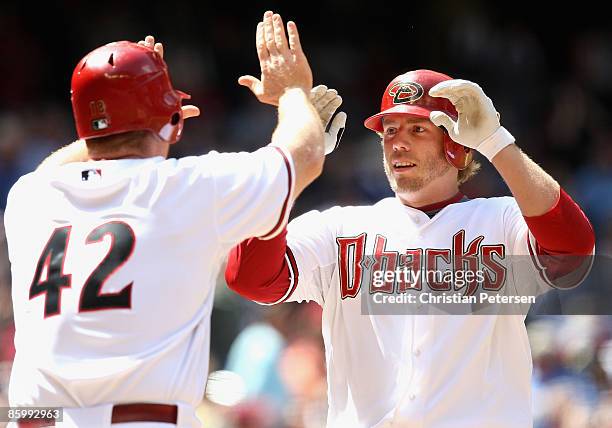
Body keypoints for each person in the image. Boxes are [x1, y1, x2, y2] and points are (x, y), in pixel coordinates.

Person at [3, 11, 331, 428]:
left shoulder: (30, 197)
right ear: (173, 121)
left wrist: (130, 118)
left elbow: (54, 166)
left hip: (35, 419)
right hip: (141, 420)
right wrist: (293, 92)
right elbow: (304, 153)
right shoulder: (188, 187)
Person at [225, 69, 596, 427]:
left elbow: (574, 249)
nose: (397, 142)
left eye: (417, 129)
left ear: (456, 144)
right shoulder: (338, 228)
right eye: (389, 130)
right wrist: (290, 159)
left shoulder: (502, 221)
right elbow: (250, 278)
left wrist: (495, 142)